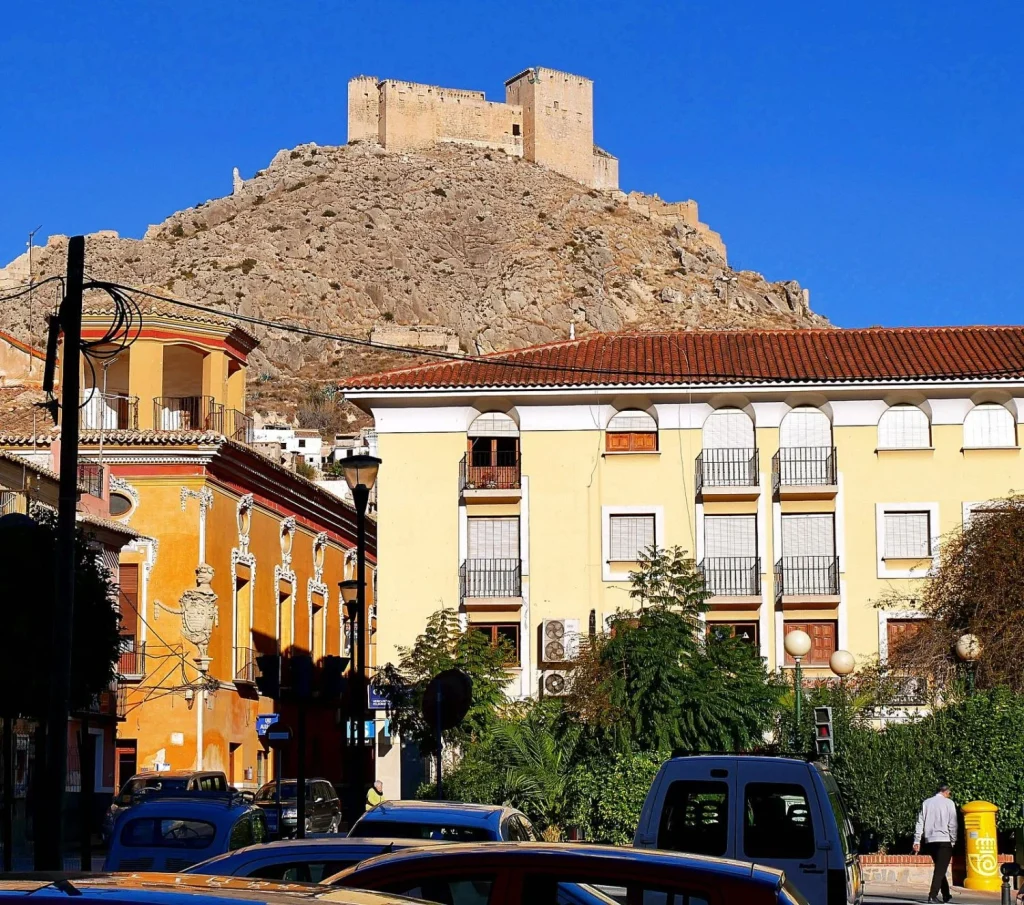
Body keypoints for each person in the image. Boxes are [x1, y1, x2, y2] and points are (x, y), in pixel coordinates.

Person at [913, 783, 958, 904]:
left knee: (940, 867)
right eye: (949, 792)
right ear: (946, 791)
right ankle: (932, 896)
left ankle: (946, 894)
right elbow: (952, 824)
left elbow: (920, 822)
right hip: (944, 840)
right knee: (940, 869)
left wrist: (917, 840)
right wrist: (953, 840)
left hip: (930, 840)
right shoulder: (949, 803)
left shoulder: (926, 803)